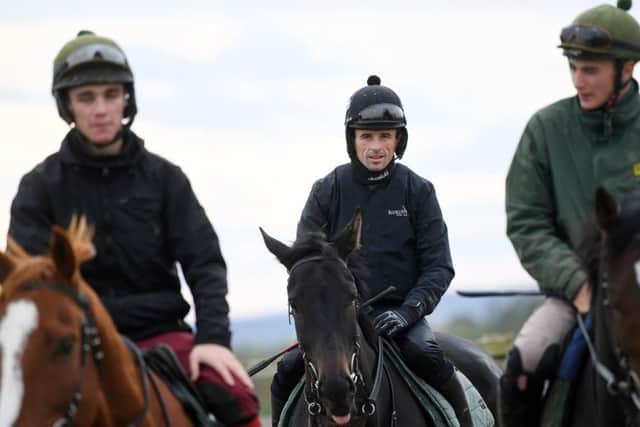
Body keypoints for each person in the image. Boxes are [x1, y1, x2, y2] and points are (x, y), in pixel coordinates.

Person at [8, 30, 260, 427]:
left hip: (161, 335)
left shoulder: (166, 179)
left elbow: (205, 264)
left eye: (111, 94)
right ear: (68, 106)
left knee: (237, 395)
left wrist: (213, 340)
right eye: (86, 98)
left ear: (127, 98)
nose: (101, 109)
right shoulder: (39, 187)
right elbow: (30, 284)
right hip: (75, 344)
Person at [270, 75, 473, 427]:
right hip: (338, 319)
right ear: (353, 140)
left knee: (429, 354)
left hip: (401, 316)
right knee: (285, 372)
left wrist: (408, 312)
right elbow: (306, 264)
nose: (376, 146)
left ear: (398, 140)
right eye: (367, 136)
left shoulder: (418, 191)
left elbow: (439, 267)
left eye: (385, 136)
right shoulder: (327, 189)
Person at [502, 1, 640, 425]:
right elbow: (526, 221)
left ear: (628, 68)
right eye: (573, 68)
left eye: (591, 70)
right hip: (574, 291)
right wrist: (575, 283)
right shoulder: (545, 130)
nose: (579, 81)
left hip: (636, 286)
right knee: (523, 364)